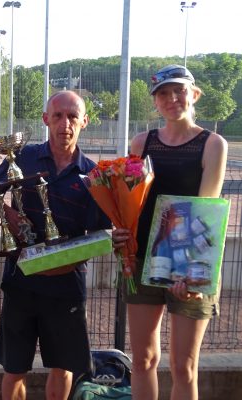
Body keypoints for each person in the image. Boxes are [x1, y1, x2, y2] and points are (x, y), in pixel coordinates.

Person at [112, 64, 228, 400]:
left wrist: (190, 274)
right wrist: (121, 233)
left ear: (194, 95)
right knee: (144, 359)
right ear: (155, 101)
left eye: (179, 91)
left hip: (190, 267)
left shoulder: (213, 145)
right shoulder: (140, 142)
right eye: (163, 93)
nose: (172, 98)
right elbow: (129, 203)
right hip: (144, 263)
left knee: (183, 367)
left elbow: (205, 213)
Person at [0, 90, 111, 400]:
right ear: (46, 119)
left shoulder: (94, 174)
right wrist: (8, 214)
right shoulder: (22, 157)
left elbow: (98, 234)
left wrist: (73, 257)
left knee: (62, 368)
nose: (65, 123)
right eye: (57, 116)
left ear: (84, 121)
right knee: (14, 369)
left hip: (66, 286)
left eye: (72, 116)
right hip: (21, 281)